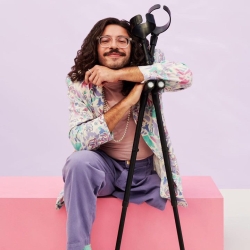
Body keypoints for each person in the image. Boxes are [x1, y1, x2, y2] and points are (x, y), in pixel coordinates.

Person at [56, 17, 192, 250]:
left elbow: (184, 76)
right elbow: (80, 140)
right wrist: (128, 102)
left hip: (145, 173)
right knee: (78, 162)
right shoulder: (80, 83)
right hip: (105, 169)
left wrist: (118, 75)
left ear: (132, 47)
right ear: (95, 47)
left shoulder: (149, 68)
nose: (114, 46)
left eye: (122, 40)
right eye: (105, 40)